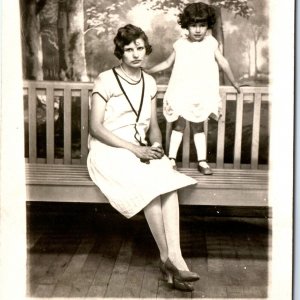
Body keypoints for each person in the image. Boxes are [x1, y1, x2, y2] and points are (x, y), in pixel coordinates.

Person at [87, 24, 199, 292]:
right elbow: (95, 128)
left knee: (167, 182)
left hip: (139, 150)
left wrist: (157, 144)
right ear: (120, 52)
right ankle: (168, 259)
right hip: (108, 151)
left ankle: (176, 260)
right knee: (152, 184)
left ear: (145, 49)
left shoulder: (149, 82)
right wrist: (135, 150)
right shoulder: (105, 80)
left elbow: (153, 126)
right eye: (129, 49)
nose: (136, 54)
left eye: (139, 48)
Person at [146, 2, 241, 175]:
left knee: (198, 127)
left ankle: (202, 161)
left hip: (201, 93)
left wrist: (234, 82)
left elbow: (223, 62)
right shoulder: (180, 44)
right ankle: (172, 159)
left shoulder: (211, 43)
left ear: (208, 26)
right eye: (193, 25)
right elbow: (167, 63)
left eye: (202, 25)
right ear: (186, 25)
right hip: (182, 91)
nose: (197, 30)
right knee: (179, 125)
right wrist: (147, 70)